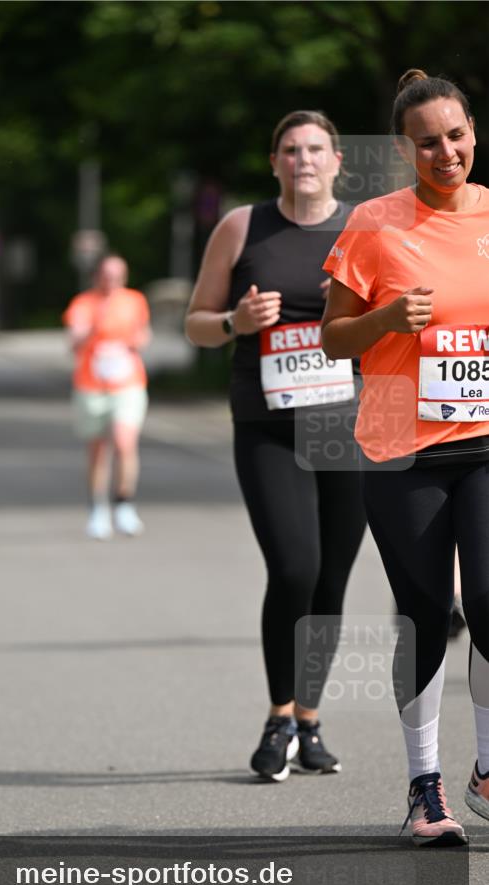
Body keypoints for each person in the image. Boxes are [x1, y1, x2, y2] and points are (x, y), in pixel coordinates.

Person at [322, 69, 489, 844]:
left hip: (484, 443)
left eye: (454, 135)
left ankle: (486, 770)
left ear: (471, 131)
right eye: (427, 142)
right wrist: (385, 316)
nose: (445, 151)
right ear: (404, 148)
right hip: (400, 451)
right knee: (424, 612)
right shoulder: (373, 223)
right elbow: (332, 337)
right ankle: (425, 788)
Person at [186, 111, 367, 782]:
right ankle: (277, 715)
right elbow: (195, 325)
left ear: (337, 160)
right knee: (293, 566)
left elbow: (402, 327)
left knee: (330, 579)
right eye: (290, 150)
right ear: (274, 162)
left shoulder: (364, 229)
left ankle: (309, 721)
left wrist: (356, 310)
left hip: (344, 423)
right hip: (266, 422)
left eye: (315, 148)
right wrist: (236, 320)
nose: (303, 160)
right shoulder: (241, 226)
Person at [63, 255, 151, 540]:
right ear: (97, 276)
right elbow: (73, 343)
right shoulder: (83, 304)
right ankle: (97, 509)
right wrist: (94, 327)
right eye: (106, 275)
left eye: (117, 276)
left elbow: (144, 335)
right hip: (92, 386)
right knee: (99, 451)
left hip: (127, 383)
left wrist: (134, 341)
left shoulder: (134, 300)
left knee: (125, 443)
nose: (111, 281)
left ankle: (124, 503)